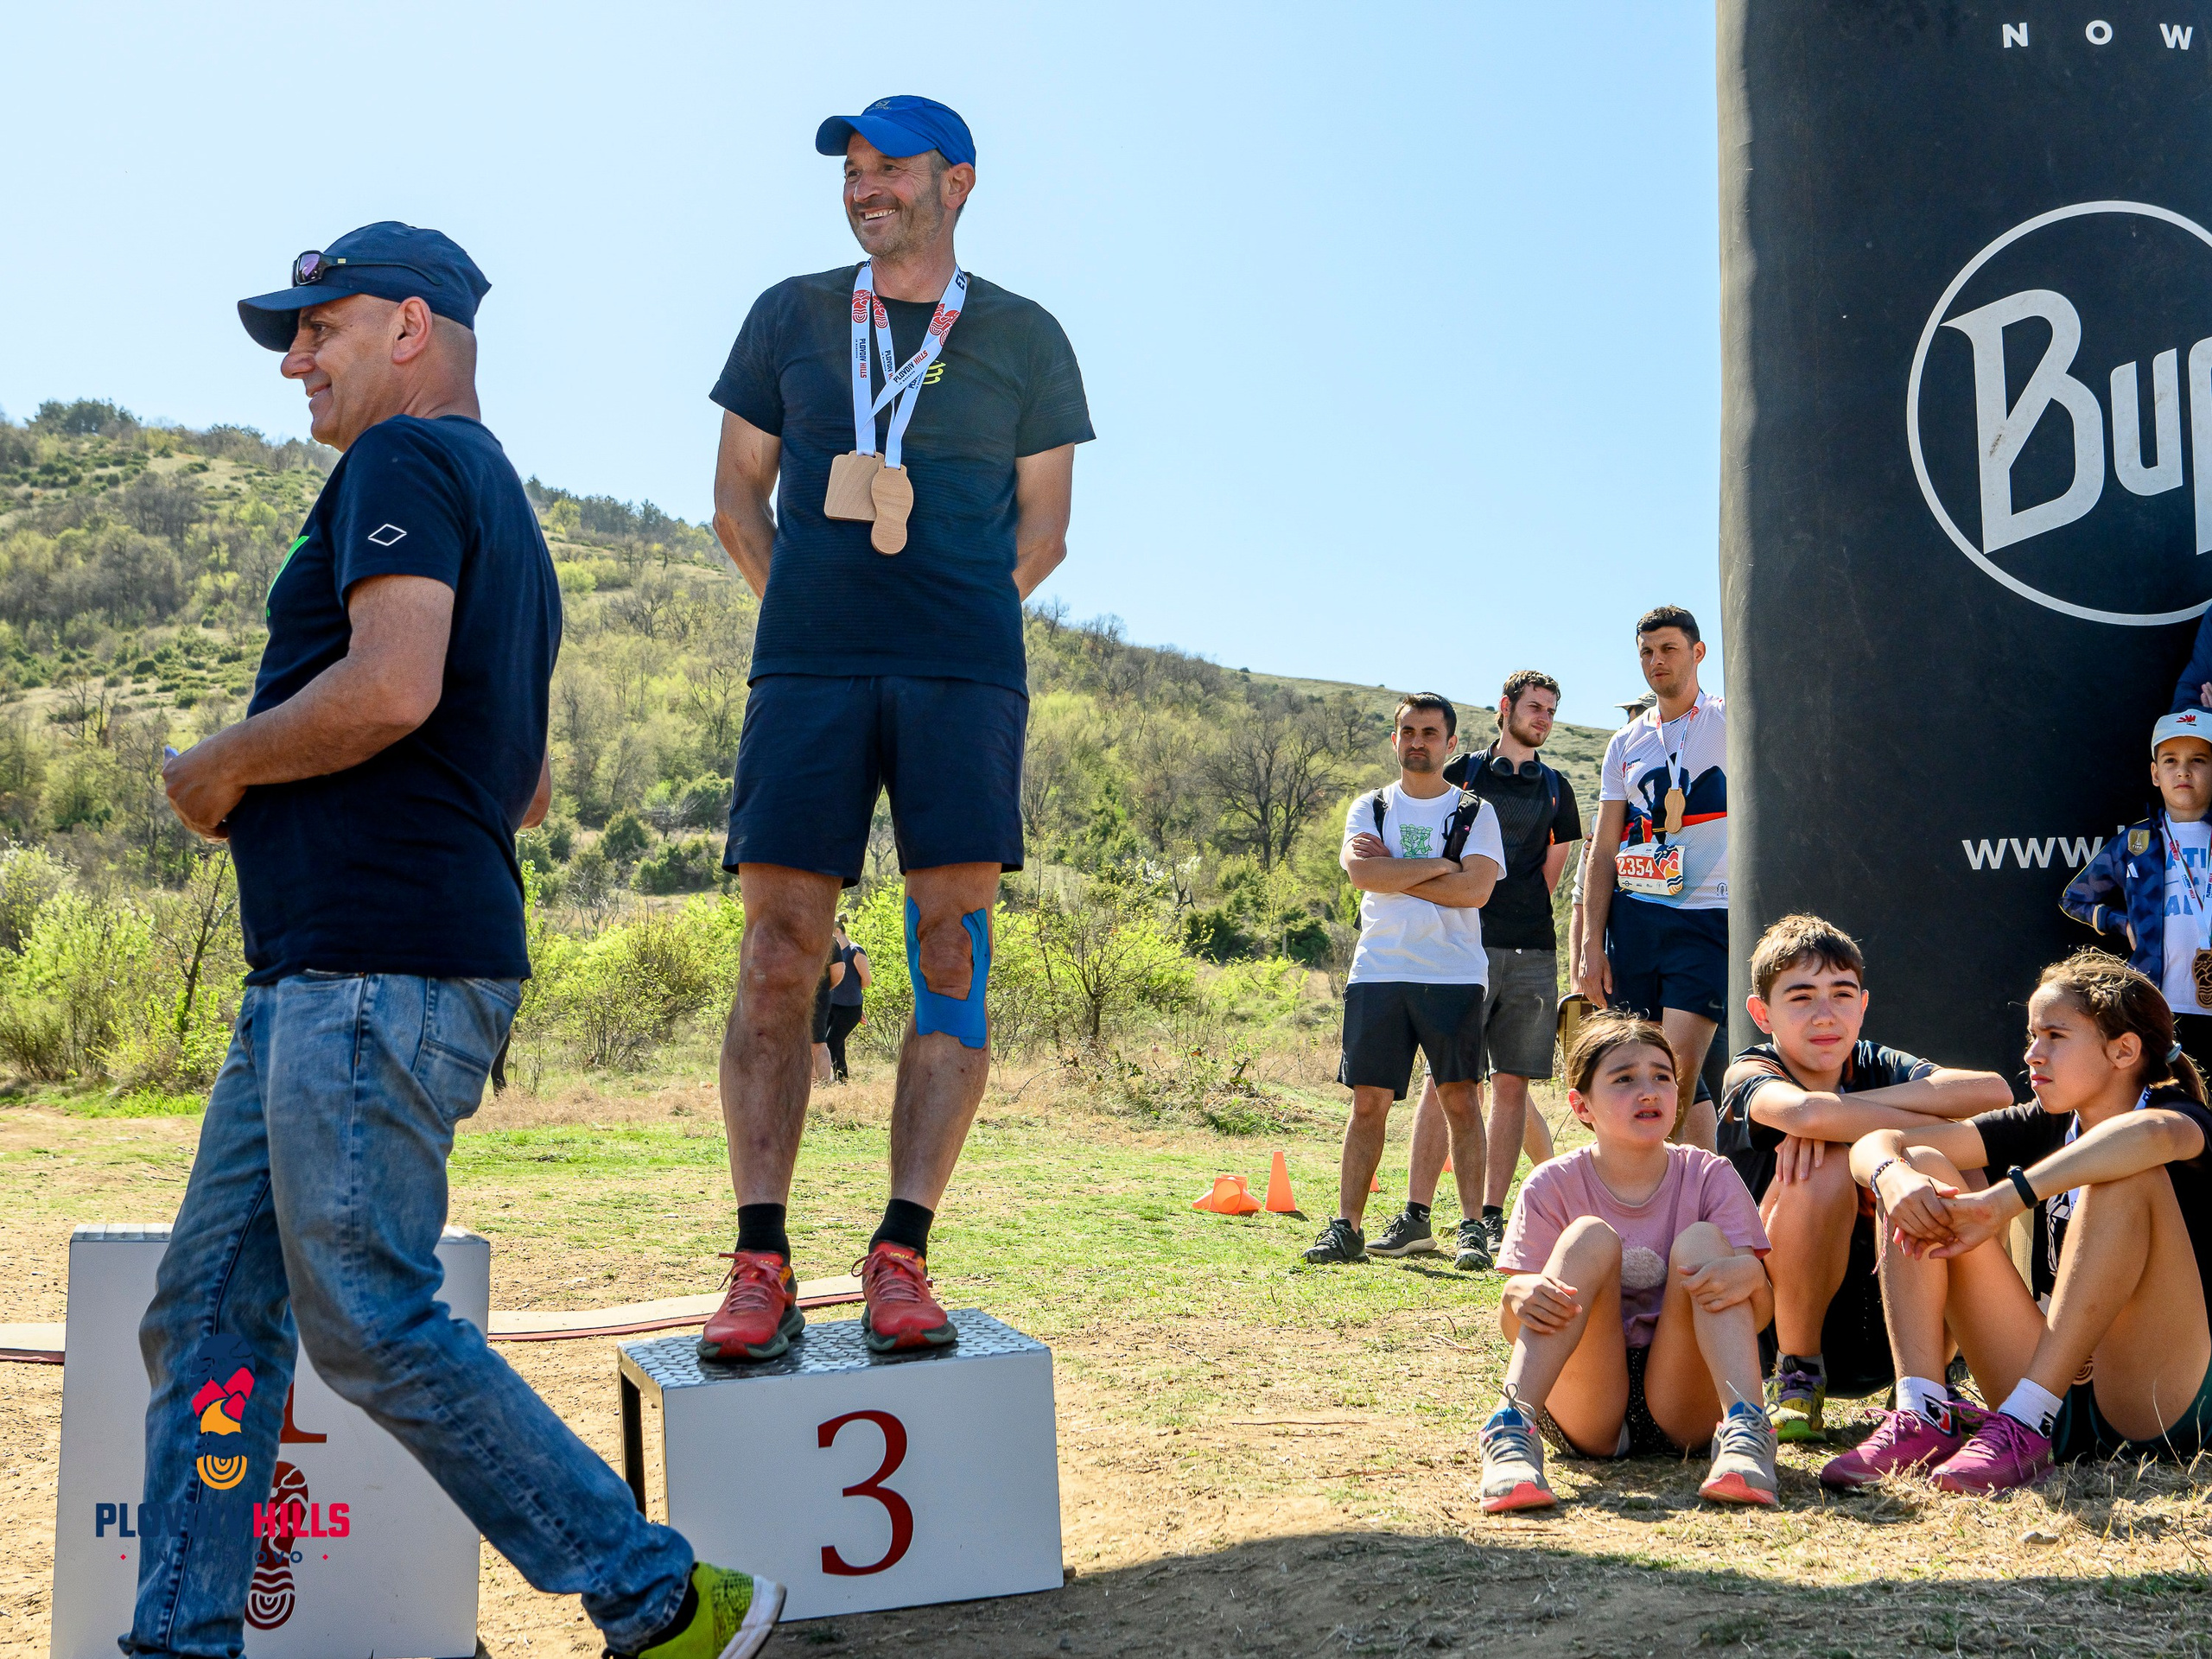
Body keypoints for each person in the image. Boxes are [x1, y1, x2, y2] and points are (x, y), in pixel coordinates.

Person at [136, 224, 779, 1659]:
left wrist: (221, 770)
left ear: (412, 329)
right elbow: (527, 784)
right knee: (210, 1321)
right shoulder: (504, 509)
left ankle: (659, 1595)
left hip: (371, 970)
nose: (296, 359)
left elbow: (392, 687)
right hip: (331, 969)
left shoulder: (405, 464)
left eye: (320, 328)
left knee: (361, 1312)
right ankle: (180, 1638)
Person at [702, 97, 1091, 1360]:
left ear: (957, 182)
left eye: (890, 169)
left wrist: (947, 623)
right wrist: (817, 610)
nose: (865, 189)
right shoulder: (792, 314)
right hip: (808, 674)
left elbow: (1046, 534)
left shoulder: (1026, 336)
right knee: (778, 951)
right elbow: (734, 498)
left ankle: (902, 1252)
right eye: (853, 172)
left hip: (962, 682)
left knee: (951, 957)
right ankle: (759, 1255)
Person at [1822, 951, 2212, 1494]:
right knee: (1928, 1169)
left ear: (2124, 1050)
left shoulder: (2182, 1117)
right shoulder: (2042, 1121)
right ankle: (1924, 1409)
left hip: (2155, 1398)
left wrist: (2008, 1197)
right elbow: (1874, 1144)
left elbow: (2147, 1138)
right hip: (2051, 1396)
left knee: (2125, 1172)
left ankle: (2026, 1418)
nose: (2033, 1053)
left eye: (2055, 1035)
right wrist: (1891, 1176)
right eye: (2032, 1035)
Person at [1718, 914, 2010, 1443]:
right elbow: (1803, 1115)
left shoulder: (1875, 1063)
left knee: (1960, 1167)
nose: (1825, 1015)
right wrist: (1912, 1117)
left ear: (1864, 1005)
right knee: (1823, 1164)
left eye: (1842, 994)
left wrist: (1841, 1115)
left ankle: (1932, 1380)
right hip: (1780, 1313)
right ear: (1762, 1014)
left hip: (1887, 1312)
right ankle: (1797, 1377)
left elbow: (1994, 1093)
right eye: (1801, 997)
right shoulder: (1750, 1071)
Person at [1478, 1014, 1778, 1512]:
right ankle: (1511, 1431)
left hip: (1689, 1399)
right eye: (1624, 1079)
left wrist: (1752, 1276)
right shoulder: (1551, 1184)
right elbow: (1516, 1324)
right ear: (1582, 1106)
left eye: (1662, 1076)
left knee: (1704, 1240)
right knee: (1588, 1238)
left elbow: (1760, 1313)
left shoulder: (1710, 1175)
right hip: (1588, 1402)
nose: (1649, 1091)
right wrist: (1517, 1296)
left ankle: (1747, 1431)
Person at [1375, 671, 1579, 1270]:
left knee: (1511, 1085)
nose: (1541, 718)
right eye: (1533, 707)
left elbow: (1550, 875)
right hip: (1461, 948)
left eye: (1550, 710)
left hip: (1533, 951)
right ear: (1504, 709)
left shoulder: (1557, 788)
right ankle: (1416, 1216)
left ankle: (1488, 1223)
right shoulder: (1461, 773)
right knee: (1447, 1081)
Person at [1303, 694, 1504, 1263]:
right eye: (1408, 731)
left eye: (1429, 732)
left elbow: (1475, 890)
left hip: (1454, 975)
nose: (1417, 741)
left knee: (1461, 1102)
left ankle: (1471, 1229)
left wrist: (1396, 872)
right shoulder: (1372, 808)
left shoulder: (1473, 812)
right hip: (1380, 971)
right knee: (1368, 1105)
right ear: (1395, 740)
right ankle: (1347, 1227)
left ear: (1450, 744)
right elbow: (1362, 872)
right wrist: (1442, 864)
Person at [1580, 607, 1729, 1148]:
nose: (1655, 661)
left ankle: (1688, 1219)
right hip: (1636, 918)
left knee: (1677, 1080)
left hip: (1707, 915)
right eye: (1646, 652)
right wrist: (1591, 945)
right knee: (1636, 1071)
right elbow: (1601, 852)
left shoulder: (1730, 721)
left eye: (1667, 649)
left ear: (1697, 652)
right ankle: (1652, 1203)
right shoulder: (1625, 743)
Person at [2063, 710, 2212, 1076]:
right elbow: (2075, 898)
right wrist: (2120, 922)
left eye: (2198, 761)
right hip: (2158, 1008)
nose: (2183, 771)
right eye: (2171, 761)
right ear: (2154, 773)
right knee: (2173, 1105)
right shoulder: (2136, 843)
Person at [823, 914, 871, 1081]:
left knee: (831, 1043)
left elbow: (866, 980)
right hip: (832, 1006)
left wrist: (851, 993)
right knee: (830, 1043)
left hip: (850, 1008)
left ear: (838, 931)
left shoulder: (855, 951)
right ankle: (842, 1079)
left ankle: (840, 1080)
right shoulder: (832, 953)